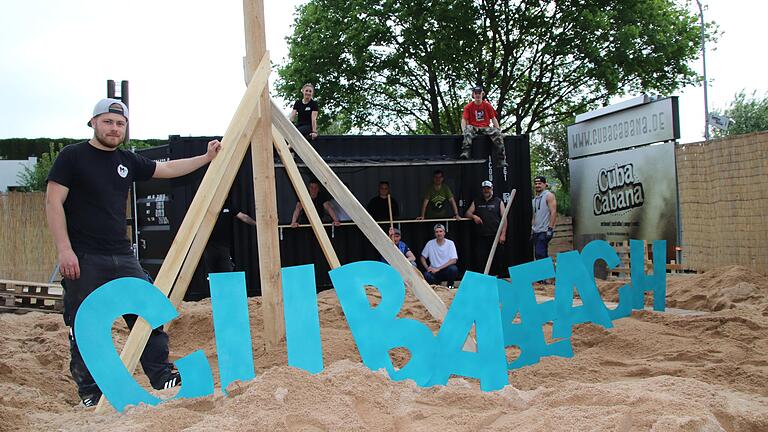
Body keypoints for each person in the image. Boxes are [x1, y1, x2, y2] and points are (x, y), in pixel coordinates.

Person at [45, 98, 222, 407]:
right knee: (83, 324)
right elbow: (52, 202)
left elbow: (167, 169)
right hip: (84, 256)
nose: (114, 128)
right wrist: (65, 250)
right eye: (108, 122)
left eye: (120, 124)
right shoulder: (72, 157)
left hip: (122, 254)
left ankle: (161, 375)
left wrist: (206, 158)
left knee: (147, 310)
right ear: (93, 123)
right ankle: (91, 392)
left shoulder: (127, 160)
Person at [204, 199, 257, 274]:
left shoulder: (228, 205)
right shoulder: (207, 206)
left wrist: (256, 224)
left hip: (224, 247)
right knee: (212, 275)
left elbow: (243, 217)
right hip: (209, 247)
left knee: (227, 272)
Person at [459, 86, 507, 168]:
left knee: (497, 134)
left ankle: (501, 159)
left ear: (482, 94)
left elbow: (493, 118)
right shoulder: (468, 107)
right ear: (473, 95)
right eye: (476, 93)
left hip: (485, 127)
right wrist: (464, 131)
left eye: (479, 93)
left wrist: (498, 130)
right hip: (474, 127)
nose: (477, 95)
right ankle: (466, 151)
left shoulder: (487, 105)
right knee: (468, 128)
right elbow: (464, 120)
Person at [465, 180, 507, 275]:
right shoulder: (477, 201)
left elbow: (504, 219)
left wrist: (503, 234)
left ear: (492, 189)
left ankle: (499, 278)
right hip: (481, 236)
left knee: (498, 258)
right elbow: (467, 213)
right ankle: (484, 279)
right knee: (481, 259)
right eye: (484, 189)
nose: (486, 190)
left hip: (496, 235)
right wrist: (474, 216)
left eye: (488, 188)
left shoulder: (498, 201)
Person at [531, 175, 558, 260]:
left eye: (540, 183)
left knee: (540, 254)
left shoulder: (549, 195)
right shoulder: (534, 199)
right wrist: (532, 229)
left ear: (545, 184)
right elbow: (534, 215)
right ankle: (547, 273)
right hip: (536, 231)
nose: (537, 185)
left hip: (545, 230)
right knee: (539, 255)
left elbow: (553, 212)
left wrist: (550, 228)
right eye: (536, 183)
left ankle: (546, 272)